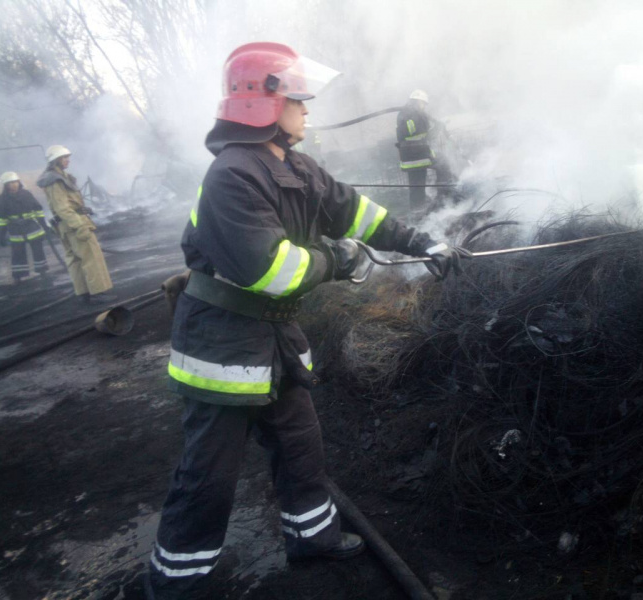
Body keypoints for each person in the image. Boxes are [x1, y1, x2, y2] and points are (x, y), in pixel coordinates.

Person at [145, 42, 470, 599]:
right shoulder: (231, 176)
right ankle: (176, 584)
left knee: (302, 449)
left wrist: (423, 243)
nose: (307, 108)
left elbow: (355, 211)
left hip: (273, 340)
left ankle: (313, 540)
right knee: (209, 478)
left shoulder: (295, 165)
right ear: (264, 102)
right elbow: (268, 270)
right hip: (222, 346)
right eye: (298, 97)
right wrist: (335, 260)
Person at [36, 145, 115, 302]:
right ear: (56, 161)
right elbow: (63, 207)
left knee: (76, 260)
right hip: (74, 224)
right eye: (64, 158)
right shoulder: (55, 180)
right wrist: (80, 225)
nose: (68, 160)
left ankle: (84, 293)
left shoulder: (56, 177)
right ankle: (97, 292)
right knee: (90, 258)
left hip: (67, 225)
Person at [395, 90, 456, 216]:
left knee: (416, 186)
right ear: (418, 102)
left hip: (411, 155)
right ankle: (443, 196)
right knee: (443, 163)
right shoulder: (413, 115)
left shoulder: (406, 114)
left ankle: (418, 211)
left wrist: (438, 126)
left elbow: (419, 135)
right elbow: (420, 134)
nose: (424, 107)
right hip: (418, 154)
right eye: (423, 104)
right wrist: (437, 126)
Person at [0, 171, 49, 284]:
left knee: (38, 251)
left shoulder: (27, 194)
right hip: (15, 230)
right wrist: (1, 235)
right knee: (17, 254)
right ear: (6, 185)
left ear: (19, 182)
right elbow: (1, 220)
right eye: (10, 183)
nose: (14, 185)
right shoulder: (1, 200)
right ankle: (18, 276)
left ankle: (43, 272)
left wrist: (45, 226)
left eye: (15, 182)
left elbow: (38, 211)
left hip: (32, 228)